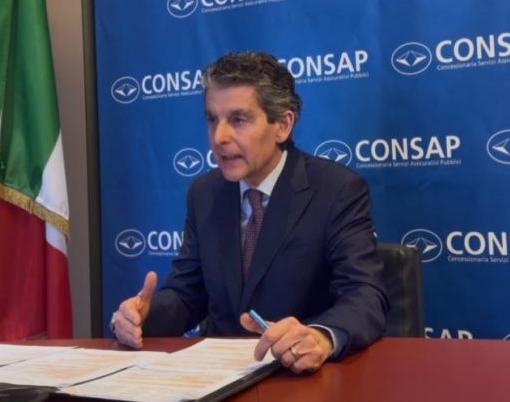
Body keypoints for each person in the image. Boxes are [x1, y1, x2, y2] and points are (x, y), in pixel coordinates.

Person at [111, 51, 388, 373]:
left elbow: (365, 294)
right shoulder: (204, 193)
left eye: (238, 120)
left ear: (282, 125)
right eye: (212, 119)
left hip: (295, 376)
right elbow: (188, 294)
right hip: (215, 376)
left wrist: (321, 336)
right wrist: (143, 316)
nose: (219, 137)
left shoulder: (336, 190)